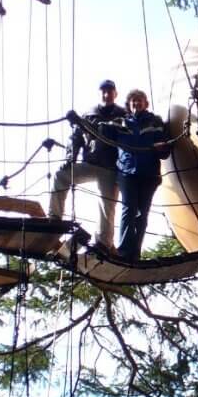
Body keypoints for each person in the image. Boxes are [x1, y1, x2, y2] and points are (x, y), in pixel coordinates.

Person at [48, 79, 125, 250]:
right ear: (99, 94)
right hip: (90, 162)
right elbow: (75, 137)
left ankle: (104, 243)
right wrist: (70, 158)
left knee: (107, 205)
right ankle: (54, 219)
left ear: (115, 94)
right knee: (61, 175)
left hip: (111, 167)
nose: (106, 95)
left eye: (110, 91)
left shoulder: (123, 114)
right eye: (103, 91)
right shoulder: (87, 114)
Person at [98, 88, 170, 262]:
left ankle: (135, 253)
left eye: (140, 100)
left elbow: (165, 150)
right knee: (129, 209)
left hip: (149, 174)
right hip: (127, 173)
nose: (136, 103)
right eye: (133, 101)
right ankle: (124, 252)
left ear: (146, 104)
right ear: (129, 106)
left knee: (142, 214)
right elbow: (102, 132)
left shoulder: (156, 122)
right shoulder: (120, 122)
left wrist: (162, 147)